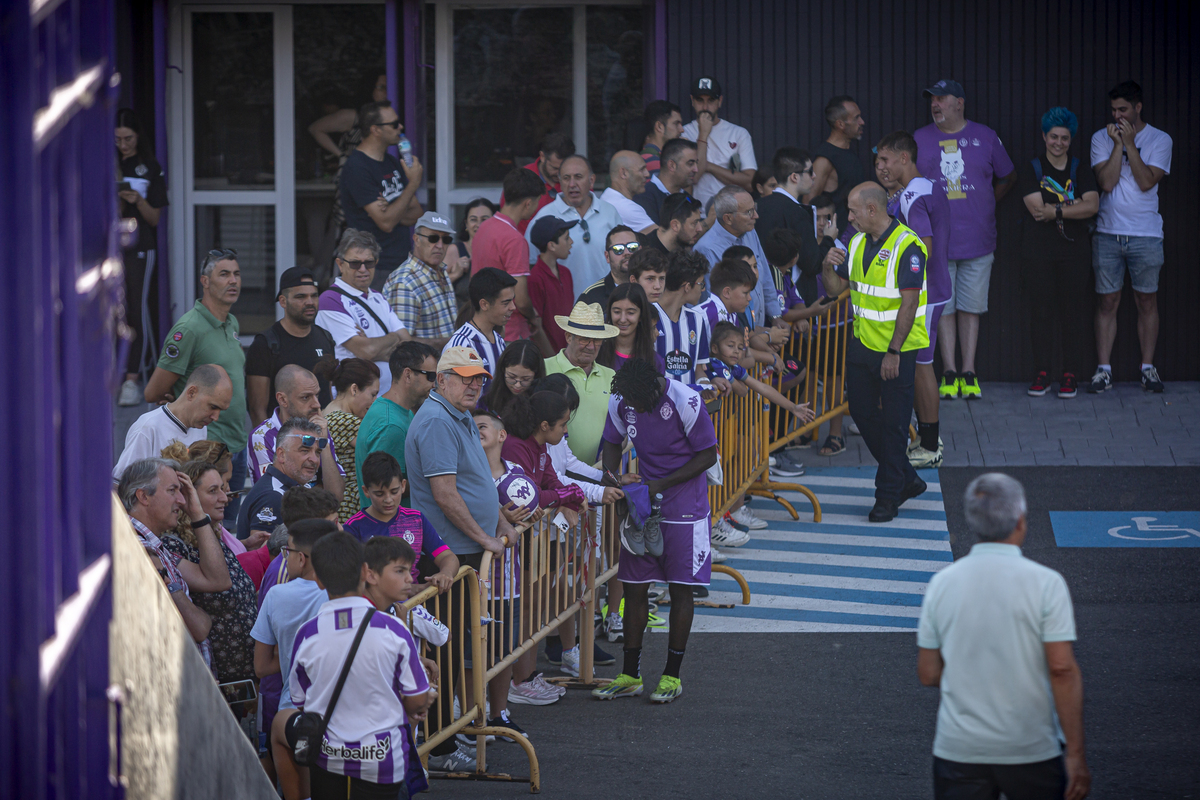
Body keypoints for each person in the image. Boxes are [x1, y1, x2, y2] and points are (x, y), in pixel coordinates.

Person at [918, 474, 1090, 800]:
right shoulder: (1046, 583)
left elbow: (928, 673)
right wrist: (1076, 754)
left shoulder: (942, 584)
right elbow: (1062, 670)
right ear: (1020, 521)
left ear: (972, 521)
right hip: (1030, 746)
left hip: (959, 748)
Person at [403, 346, 523, 736]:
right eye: (465, 377)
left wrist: (501, 520)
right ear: (441, 380)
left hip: (464, 546)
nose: (475, 385)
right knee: (445, 649)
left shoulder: (458, 413)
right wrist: (486, 538)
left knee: (455, 646)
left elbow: (476, 482)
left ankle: (447, 735)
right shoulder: (438, 420)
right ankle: (439, 742)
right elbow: (445, 494)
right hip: (450, 552)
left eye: (479, 378)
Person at [595, 358, 718, 704]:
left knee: (681, 591)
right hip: (643, 505)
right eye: (629, 402)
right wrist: (612, 476)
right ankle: (630, 674)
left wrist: (660, 484)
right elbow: (611, 441)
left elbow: (708, 455)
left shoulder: (685, 400)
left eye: (639, 402)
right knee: (634, 587)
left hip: (686, 508)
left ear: (656, 385)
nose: (632, 407)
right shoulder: (621, 398)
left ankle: (671, 676)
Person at [821, 183, 929, 523]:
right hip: (863, 345)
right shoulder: (855, 241)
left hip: (897, 349)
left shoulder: (908, 245)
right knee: (862, 412)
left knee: (896, 424)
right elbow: (838, 289)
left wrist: (894, 351)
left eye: (852, 211)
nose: (848, 218)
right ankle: (906, 477)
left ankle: (887, 498)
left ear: (872, 210)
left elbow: (909, 304)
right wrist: (827, 266)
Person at [914, 79, 1017, 400]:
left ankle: (968, 372)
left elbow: (1008, 175)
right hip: (935, 242)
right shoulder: (919, 139)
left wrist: (986, 204)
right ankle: (948, 372)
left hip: (978, 240)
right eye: (932, 99)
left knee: (971, 307)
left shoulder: (985, 136)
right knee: (942, 308)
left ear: (960, 103)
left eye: (941, 98)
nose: (935, 104)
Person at [144, 249, 250, 517]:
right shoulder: (189, 329)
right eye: (224, 274)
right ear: (205, 281)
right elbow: (154, 391)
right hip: (205, 449)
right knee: (204, 529)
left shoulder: (232, 321)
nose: (233, 281)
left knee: (227, 530)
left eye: (236, 274)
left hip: (235, 445)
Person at [875, 131, 952, 469]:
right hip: (931, 291)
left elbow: (924, 248)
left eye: (885, 160)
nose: (879, 167)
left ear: (904, 158)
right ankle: (925, 437)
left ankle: (930, 445)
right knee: (920, 364)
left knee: (922, 366)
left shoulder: (914, 195)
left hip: (926, 294)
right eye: (877, 161)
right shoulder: (924, 187)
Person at [1088, 80, 1172, 394]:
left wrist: (1132, 144)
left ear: (1138, 107)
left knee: (1146, 300)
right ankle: (1103, 370)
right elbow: (1107, 183)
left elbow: (1147, 181)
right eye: (1113, 110)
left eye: (1123, 109)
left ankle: (1148, 368)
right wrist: (1119, 145)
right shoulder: (1102, 138)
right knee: (1107, 301)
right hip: (1108, 232)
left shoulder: (1161, 140)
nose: (1117, 115)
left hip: (1146, 234)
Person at [253, 517, 338, 800]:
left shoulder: (276, 596)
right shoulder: (342, 594)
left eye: (286, 551)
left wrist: (291, 654)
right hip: (340, 713)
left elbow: (262, 666)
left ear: (301, 558)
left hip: (293, 712)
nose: (283, 557)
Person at [1017, 108, 1100, 399]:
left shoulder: (1080, 168)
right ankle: (1042, 372)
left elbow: (1093, 206)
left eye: (1065, 138)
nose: (1059, 143)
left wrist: (1057, 210)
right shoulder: (1032, 168)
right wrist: (1070, 205)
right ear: (1044, 136)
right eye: (1054, 136)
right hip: (1038, 253)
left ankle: (1070, 374)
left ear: (1071, 139)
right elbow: (1037, 211)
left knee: (1072, 313)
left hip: (1074, 253)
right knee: (1041, 312)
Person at [160, 457, 259, 683]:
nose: (224, 498)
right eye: (213, 491)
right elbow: (219, 582)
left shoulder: (215, 535)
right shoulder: (175, 544)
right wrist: (198, 516)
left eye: (223, 489)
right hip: (214, 682)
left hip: (244, 680)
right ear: (188, 497)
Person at [119, 458, 233, 650]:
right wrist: (198, 615)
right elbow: (200, 628)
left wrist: (197, 514)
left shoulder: (157, 548)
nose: (182, 501)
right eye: (172, 491)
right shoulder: (136, 548)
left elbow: (218, 581)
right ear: (144, 496)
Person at [344, 452, 459, 594]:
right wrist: (413, 589)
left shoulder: (416, 519)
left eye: (394, 491)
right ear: (366, 491)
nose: (388, 499)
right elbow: (350, 577)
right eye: (379, 494)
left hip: (414, 606)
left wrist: (446, 573)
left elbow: (447, 556)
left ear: (403, 485)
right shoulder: (353, 527)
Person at [115, 108, 170, 405]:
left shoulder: (148, 166)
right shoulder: (107, 162)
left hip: (140, 246)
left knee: (137, 309)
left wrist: (138, 199)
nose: (124, 145)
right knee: (112, 311)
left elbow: (155, 218)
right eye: (118, 139)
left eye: (129, 139)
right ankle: (113, 373)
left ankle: (134, 377)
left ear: (138, 137)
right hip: (109, 246)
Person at [316, 228, 412, 394]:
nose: (362, 269)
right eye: (355, 263)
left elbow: (407, 344)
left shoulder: (378, 297)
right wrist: (392, 337)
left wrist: (373, 346)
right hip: (352, 397)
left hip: (386, 396)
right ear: (340, 264)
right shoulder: (330, 299)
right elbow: (366, 350)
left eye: (369, 263)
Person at [338, 100, 423, 280]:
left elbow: (416, 213)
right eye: (393, 124)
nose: (400, 126)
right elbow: (386, 223)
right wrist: (412, 185)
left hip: (400, 262)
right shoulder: (357, 168)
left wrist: (392, 208)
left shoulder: (391, 162)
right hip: (372, 268)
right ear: (376, 130)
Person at [245, 267, 337, 429]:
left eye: (314, 296)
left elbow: (328, 394)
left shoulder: (325, 338)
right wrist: (270, 446)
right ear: (283, 301)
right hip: (284, 445)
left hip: (321, 438)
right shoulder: (266, 344)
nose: (309, 302)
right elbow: (256, 408)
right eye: (300, 296)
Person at [472, 168, 552, 348]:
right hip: (509, 331)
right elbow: (521, 298)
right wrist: (533, 316)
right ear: (528, 203)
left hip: (482, 325)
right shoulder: (514, 239)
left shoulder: (483, 228)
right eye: (537, 203)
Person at [355, 342, 440, 507]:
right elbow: (386, 486)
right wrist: (439, 478)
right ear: (407, 375)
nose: (434, 384)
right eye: (430, 376)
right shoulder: (390, 425)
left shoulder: (398, 410)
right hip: (392, 528)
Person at [113, 364, 232, 481]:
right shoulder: (148, 428)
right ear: (191, 393)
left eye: (220, 410)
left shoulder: (200, 428)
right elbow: (121, 483)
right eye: (212, 406)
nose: (216, 417)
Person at [525, 155, 625, 293]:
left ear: (591, 180)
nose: (572, 184)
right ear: (560, 181)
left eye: (578, 177)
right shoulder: (544, 217)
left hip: (606, 305)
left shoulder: (609, 212)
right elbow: (530, 265)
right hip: (564, 309)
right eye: (566, 178)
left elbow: (624, 257)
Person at [248, 365, 346, 503]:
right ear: (282, 399)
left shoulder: (319, 428)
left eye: (317, 395)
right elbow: (279, 497)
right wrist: (320, 488)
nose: (317, 404)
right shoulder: (262, 437)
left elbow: (336, 496)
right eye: (306, 397)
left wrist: (324, 442)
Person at [694, 186, 782, 329]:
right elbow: (715, 304)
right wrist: (761, 337)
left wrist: (775, 316)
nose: (756, 216)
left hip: (757, 330)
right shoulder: (706, 249)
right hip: (732, 336)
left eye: (755, 208)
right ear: (728, 218)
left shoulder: (750, 232)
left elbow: (765, 277)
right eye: (749, 212)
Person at [544, 304, 619, 466]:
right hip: (553, 473)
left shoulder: (611, 376)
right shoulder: (544, 368)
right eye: (584, 339)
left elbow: (620, 422)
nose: (591, 347)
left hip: (597, 474)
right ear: (568, 337)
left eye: (597, 340)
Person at [758, 147, 836, 293]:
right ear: (794, 177)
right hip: (794, 301)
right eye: (810, 171)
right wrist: (828, 239)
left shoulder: (758, 206)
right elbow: (812, 265)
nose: (814, 176)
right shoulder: (797, 213)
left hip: (761, 293)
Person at [237, 417, 324, 541]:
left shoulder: (286, 489)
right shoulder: (273, 496)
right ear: (281, 454)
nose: (314, 460)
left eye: (318, 452)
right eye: (305, 451)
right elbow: (263, 557)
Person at [382, 211, 459, 349]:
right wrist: (448, 343)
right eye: (433, 238)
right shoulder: (404, 282)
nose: (440, 245)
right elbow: (400, 343)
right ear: (416, 240)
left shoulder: (440, 270)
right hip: (423, 368)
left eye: (446, 239)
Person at [681, 76, 757, 206]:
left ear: (719, 101)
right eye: (700, 100)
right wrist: (703, 135)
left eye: (711, 100)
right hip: (696, 214)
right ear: (692, 101)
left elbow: (750, 182)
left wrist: (709, 166)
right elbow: (694, 176)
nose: (705, 107)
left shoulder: (738, 133)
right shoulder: (683, 132)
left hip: (733, 213)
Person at [322, 358, 381, 522]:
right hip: (350, 510)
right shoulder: (346, 422)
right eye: (373, 394)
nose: (374, 402)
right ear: (354, 389)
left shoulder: (327, 412)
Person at [447, 267, 516, 396]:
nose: (513, 307)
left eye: (513, 300)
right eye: (506, 303)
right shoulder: (461, 345)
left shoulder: (498, 340)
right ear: (484, 304)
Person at [803, 97, 867, 227]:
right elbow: (808, 204)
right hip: (836, 240)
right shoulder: (824, 160)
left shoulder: (848, 152)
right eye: (856, 118)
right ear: (840, 124)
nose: (862, 122)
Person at [656, 250, 714, 388]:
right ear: (687, 287)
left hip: (687, 407)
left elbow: (699, 369)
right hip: (655, 405)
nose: (703, 290)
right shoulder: (647, 316)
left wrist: (704, 384)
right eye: (701, 284)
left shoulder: (697, 319)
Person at [498, 132, 576, 234]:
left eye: (564, 168)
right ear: (542, 156)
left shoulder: (578, 182)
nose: (559, 174)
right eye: (554, 168)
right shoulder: (520, 180)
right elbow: (506, 223)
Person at [528, 216, 579, 352]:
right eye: (567, 238)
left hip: (568, 352)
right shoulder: (535, 278)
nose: (571, 242)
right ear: (551, 245)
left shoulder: (565, 273)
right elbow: (536, 327)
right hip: (548, 356)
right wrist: (552, 359)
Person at [633, 139, 701, 226]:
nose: (696, 169)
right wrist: (710, 220)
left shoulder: (687, 198)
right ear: (672, 165)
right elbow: (655, 237)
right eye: (690, 163)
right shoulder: (645, 197)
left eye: (696, 163)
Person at [445, 198, 498, 307]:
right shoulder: (454, 250)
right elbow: (432, 285)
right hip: (461, 320)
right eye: (473, 219)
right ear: (466, 224)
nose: (479, 224)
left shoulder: (500, 251)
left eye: (484, 219)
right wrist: (455, 274)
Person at [598, 283, 661, 373]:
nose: (623, 319)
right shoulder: (597, 353)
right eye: (617, 312)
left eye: (630, 313)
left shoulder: (655, 361)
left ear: (641, 315)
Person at [578, 226, 638, 309]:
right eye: (618, 249)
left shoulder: (653, 289)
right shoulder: (590, 297)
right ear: (607, 257)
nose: (627, 252)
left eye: (632, 247)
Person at [482, 339, 546, 415]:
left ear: (536, 376)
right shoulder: (488, 401)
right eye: (512, 377)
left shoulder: (543, 405)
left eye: (526, 379)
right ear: (503, 370)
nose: (517, 385)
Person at [601, 151, 657, 233]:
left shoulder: (607, 198)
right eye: (642, 169)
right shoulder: (624, 207)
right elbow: (663, 241)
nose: (647, 174)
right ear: (624, 173)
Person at [639, 192, 705, 256]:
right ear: (675, 225)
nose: (700, 229)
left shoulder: (681, 252)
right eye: (694, 223)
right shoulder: (646, 257)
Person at [640, 100, 684, 174]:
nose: (682, 130)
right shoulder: (653, 161)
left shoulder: (655, 157)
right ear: (659, 127)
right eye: (676, 123)